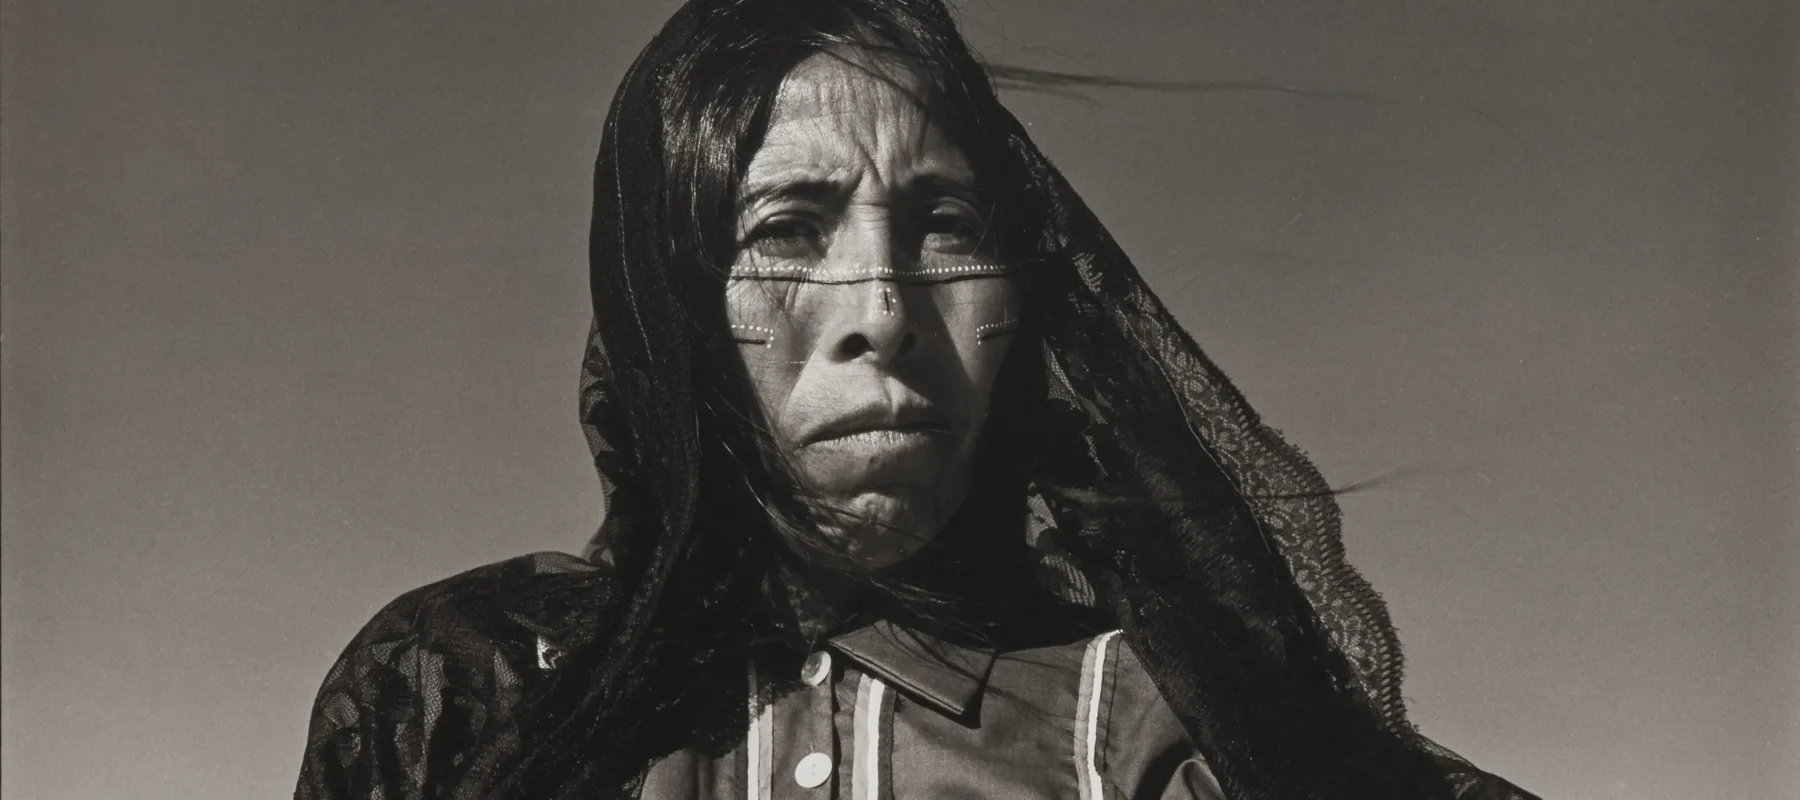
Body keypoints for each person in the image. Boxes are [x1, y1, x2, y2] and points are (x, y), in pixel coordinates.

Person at [296, 1, 1539, 798]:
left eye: (948, 227)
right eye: (785, 227)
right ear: (665, 308)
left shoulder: (1159, 727)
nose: (883, 310)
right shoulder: (467, 696)